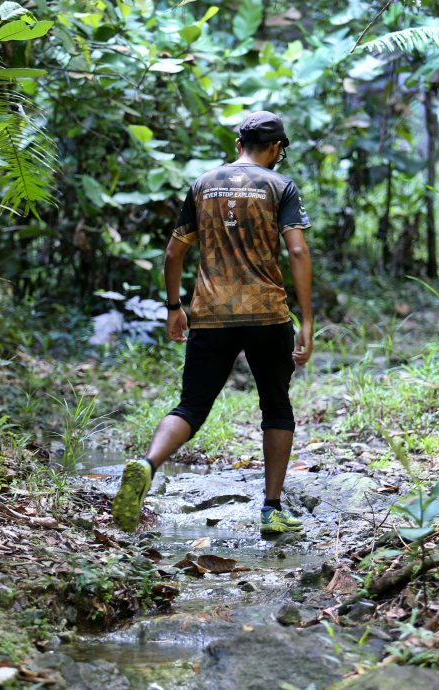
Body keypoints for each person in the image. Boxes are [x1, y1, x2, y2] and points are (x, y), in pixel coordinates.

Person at [112, 110, 313, 536]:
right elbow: (297, 252)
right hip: (267, 314)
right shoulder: (281, 187)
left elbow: (173, 253)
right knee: (276, 407)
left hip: (211, 314)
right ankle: (272, 509)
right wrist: (308, 321)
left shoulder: (203, 185)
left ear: (238, 145)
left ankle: (147, 466)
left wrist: (173, 307)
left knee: (191, 406)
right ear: (276, 149)